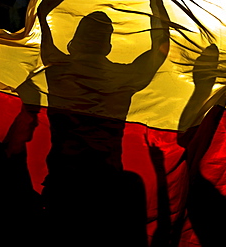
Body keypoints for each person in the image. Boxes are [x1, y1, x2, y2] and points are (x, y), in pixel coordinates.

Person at [37, 0, 170, 245]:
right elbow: (161, 46)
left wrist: (44, 9)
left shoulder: (57, 70)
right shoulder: (124, 78)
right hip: (108, 190)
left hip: (64, 189)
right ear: (108, 47)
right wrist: (156, 3)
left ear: (73, 44)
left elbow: (42, 18)